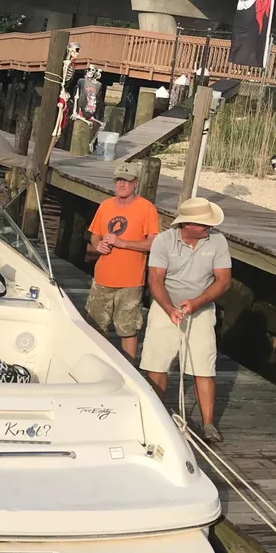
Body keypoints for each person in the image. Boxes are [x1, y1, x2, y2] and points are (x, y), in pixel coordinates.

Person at [141, 197, 232, 443]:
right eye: (204, 224)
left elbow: (224, 280)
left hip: (201, 309)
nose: (209, 228)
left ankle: (208, 424)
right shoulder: (163, 241)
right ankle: (157, 418)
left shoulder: (218, 240)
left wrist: (197, 302)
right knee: (157, 363)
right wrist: (170, 308)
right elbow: (155, 280)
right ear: (188, 224)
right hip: (165, 307)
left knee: (204, 366)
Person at [86, 163, 160, 361]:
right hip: (102, 278)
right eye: (118, 180)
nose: (121, 184)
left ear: (135, 183)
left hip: (130, 281)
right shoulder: (105, 206)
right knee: (94, 326)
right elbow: (94, 235)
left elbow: (153, 243)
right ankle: (98, 363)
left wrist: (123, 243)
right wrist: (98, 244)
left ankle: (129, 369)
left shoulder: (146, 208)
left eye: (126, 181)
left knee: (128, 329)